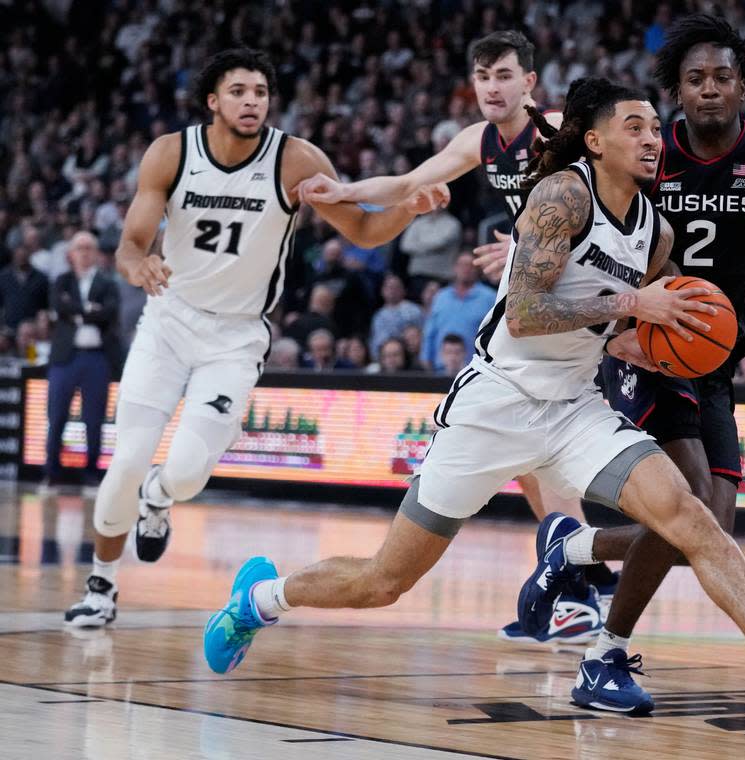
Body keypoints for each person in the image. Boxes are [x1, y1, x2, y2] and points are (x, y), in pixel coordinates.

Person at [203, 77, 745, 736]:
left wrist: (662, 345)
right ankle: (258, 601)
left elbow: (620, 332)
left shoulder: (654, 233)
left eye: (651, 127)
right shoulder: (561, 194)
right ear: (594, 141)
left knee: (689, 518)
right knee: (386, 580)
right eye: (632, 127)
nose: (649, 138)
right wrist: (631, 304)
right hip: (493, 405)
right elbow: (524, 313)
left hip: (574, 408)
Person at [64, 48, 447, 627]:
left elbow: (365, 228)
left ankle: (159, 499)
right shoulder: (171, 152)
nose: (251, 101)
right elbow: (130, 243)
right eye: (239, 91)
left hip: (237, 337)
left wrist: (408, 211)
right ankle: (101, 584)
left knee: (188, 472)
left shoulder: (295, 161)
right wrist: (136, 264)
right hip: (168, 322)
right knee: (126, 463)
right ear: (213, 101)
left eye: (261, 92)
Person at [550, 16, 745, 714]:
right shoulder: (647, 151)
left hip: (711, 355)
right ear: (675, 92)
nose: (709, 90)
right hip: (643, 346)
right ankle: (607, 652)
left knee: (708, 528)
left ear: (744, 83)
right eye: (694, 79)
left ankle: (572, 552)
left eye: (721, 77)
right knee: (688, 514)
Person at [295, 33, 623, 633]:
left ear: (529, 82)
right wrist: (343, 192)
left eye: (503, 75)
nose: (491, 88)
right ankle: (580, 573)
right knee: (530, 447)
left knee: (545, 428)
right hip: (535, 285)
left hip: (582, 284)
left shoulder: (556, 129)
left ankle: (583, 574)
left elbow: (606, 199)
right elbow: (407, 182)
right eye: (482, 77)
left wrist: (532, 247)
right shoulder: (479, 140)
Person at [43, 232, 121, 489]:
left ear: (96, 253)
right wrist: (89, 311)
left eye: (89, 248)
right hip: (66, 358)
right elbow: (59, 306)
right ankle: (51, 472)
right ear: (71, 253)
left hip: (97, 358)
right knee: (56, 416)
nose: (85, 252)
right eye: (80, 248)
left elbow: (109, 312)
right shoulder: (62, 281)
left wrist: (76, 313)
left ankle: (91, 473)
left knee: (94, 418)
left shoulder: (108, 282)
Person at [420, 252, 496, 372]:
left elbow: (495, 334)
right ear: (454, 268)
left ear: (477, 269)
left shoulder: (489, 298)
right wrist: (425, 357)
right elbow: (430, 330)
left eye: (470, 265)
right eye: (462, 265)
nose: (465, 269)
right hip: (440, 368)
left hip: (476, 369)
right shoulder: (441, 296)